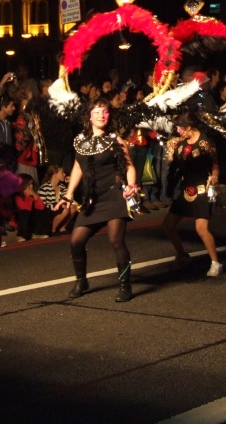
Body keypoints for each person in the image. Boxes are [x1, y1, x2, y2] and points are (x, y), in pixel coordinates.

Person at [53, 98, 139, 302]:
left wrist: (131, 186)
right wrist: (68, 194)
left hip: (114, 195)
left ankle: (125, 286)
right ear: (89, 116)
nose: (102, 115)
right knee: (76, 240)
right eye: (97, 112)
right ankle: (81, 281)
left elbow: (129, 166)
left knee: (116, 240)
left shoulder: (115, 140)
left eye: (105, 111)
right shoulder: (81, 141)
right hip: (92, 198)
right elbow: (78, 167)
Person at [161, 110, 223, 276]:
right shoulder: (181, 143)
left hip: (202, 188)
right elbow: (175, 167)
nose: (178, 131)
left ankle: (215, 263)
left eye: (180, 128)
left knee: (201, 229)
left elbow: (215, 163)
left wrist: (215, 176)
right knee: (168, 225)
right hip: (185, 189)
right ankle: (182, 255)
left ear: (189, 127)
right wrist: (171, 154)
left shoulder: (205, 143)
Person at [37, 163, 78, 235]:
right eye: (62, 172)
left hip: (60, 209)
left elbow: (69, 199)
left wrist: (70, 184)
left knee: (73, 207)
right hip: (48, 212)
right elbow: (42, 206)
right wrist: (57, 206)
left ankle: (62, 227)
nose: (64, 174)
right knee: (65, 209)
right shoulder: (44, 188)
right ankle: (53, 230)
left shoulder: (62, 187)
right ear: (55, 174)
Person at [14, 173, 50, 241]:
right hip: (21, 220)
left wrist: (35, 195)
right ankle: (20, 235)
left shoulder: (32, 196)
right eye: (29, 185)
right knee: (25, 213)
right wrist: (28, 197)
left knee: (45, 210)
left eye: (32, 184)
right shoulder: (17, 197)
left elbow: (41, 207)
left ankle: (38, 233)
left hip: (31, 220)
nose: (31, 186)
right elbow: (26, 209)